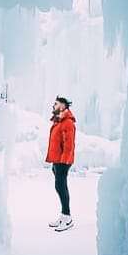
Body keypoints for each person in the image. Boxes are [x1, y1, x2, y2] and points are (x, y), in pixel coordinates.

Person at [46, 96, 76, 231]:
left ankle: (67, 217)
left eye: (56, 104)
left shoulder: (67, 122)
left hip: (63, 161)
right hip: (57, 160)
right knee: (60, 186)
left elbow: (69, 145)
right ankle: (64, 216)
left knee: (60, 186)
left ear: (63, 106)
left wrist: (64, 161)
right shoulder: (59, 121)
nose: (53, 106)